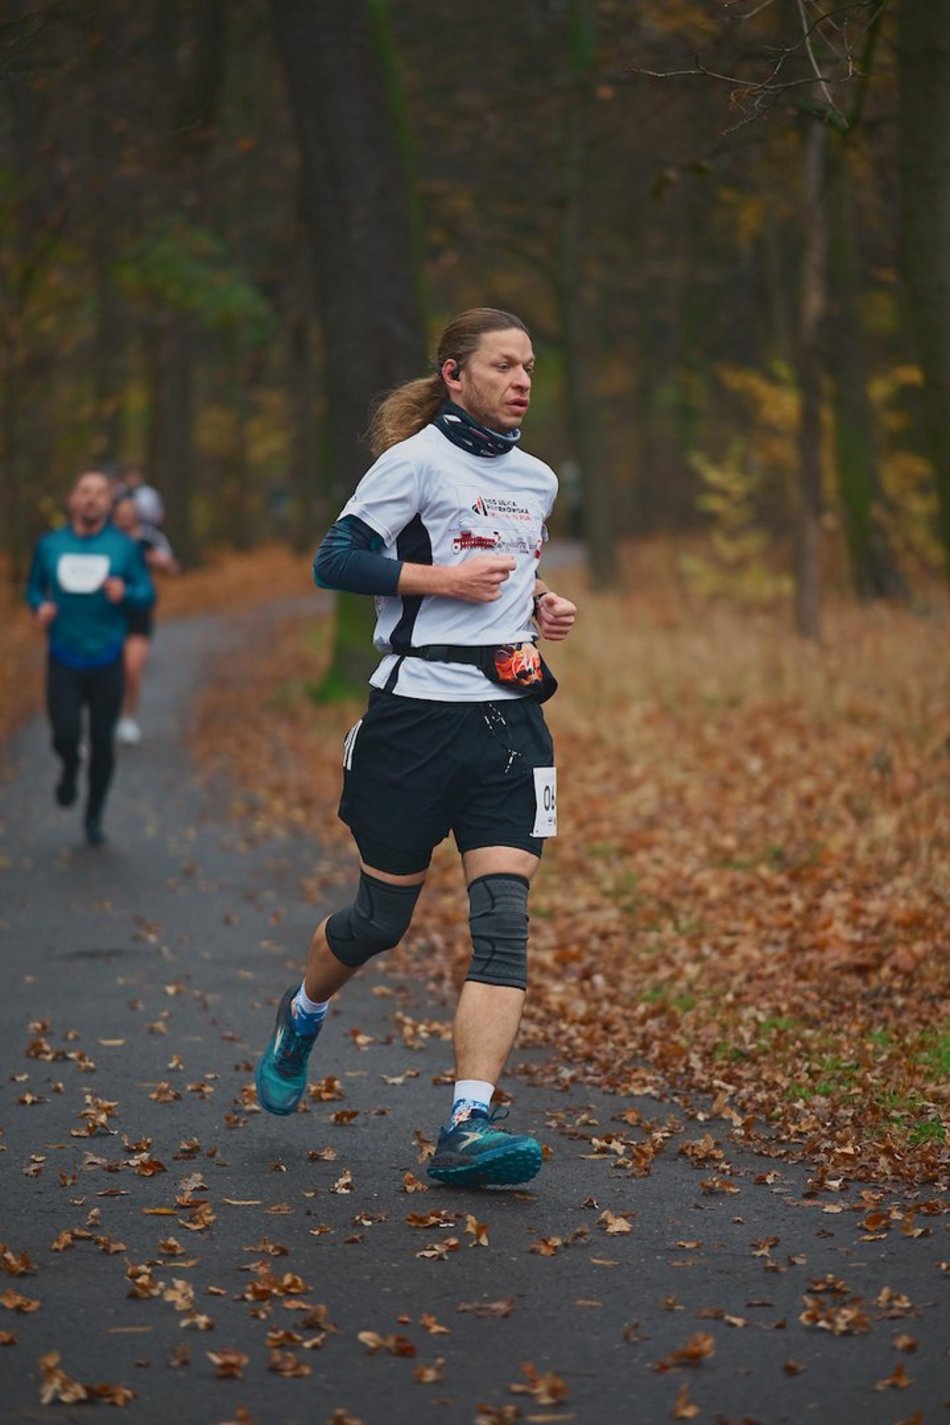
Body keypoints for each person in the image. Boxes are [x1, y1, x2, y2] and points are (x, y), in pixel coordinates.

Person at [255, 308, 577, 1188]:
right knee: (379, 923)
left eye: (531, 367)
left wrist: (538, 604)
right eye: (504, 365)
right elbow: (336, 559)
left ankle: (468, 1123)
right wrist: (439, 581)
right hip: (413, 722)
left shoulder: (538, 478)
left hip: (509, 723)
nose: (521, 381)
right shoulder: (414, 462)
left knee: (503, 923)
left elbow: (504, 562)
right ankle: (302, 1010)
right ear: (454, 374)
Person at [25, 470, 155, 844]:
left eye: (100, 492)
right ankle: (68, 766)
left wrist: (125, 592)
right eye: (84, 491)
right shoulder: (50, 544)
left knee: (102, 743)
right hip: (63, 655)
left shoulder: (124, 548)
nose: (92, 498)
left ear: (109, 502)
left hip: (107, 657)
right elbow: (33, 588)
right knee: (65, 735)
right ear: (72, 500)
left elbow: (146, 593)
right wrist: (39, 607)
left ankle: (93, 816)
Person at [111, 494, 180, 745]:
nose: (126, 516)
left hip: (138, 611)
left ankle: (128, 718)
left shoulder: (149, 537)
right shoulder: (104, 538)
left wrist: (161, 562)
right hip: (106, 613)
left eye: (131, 511)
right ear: (114, 513)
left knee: (132, 667)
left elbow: (173, 568)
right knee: (107, 671)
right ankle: (103, 718)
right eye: (122, 511)